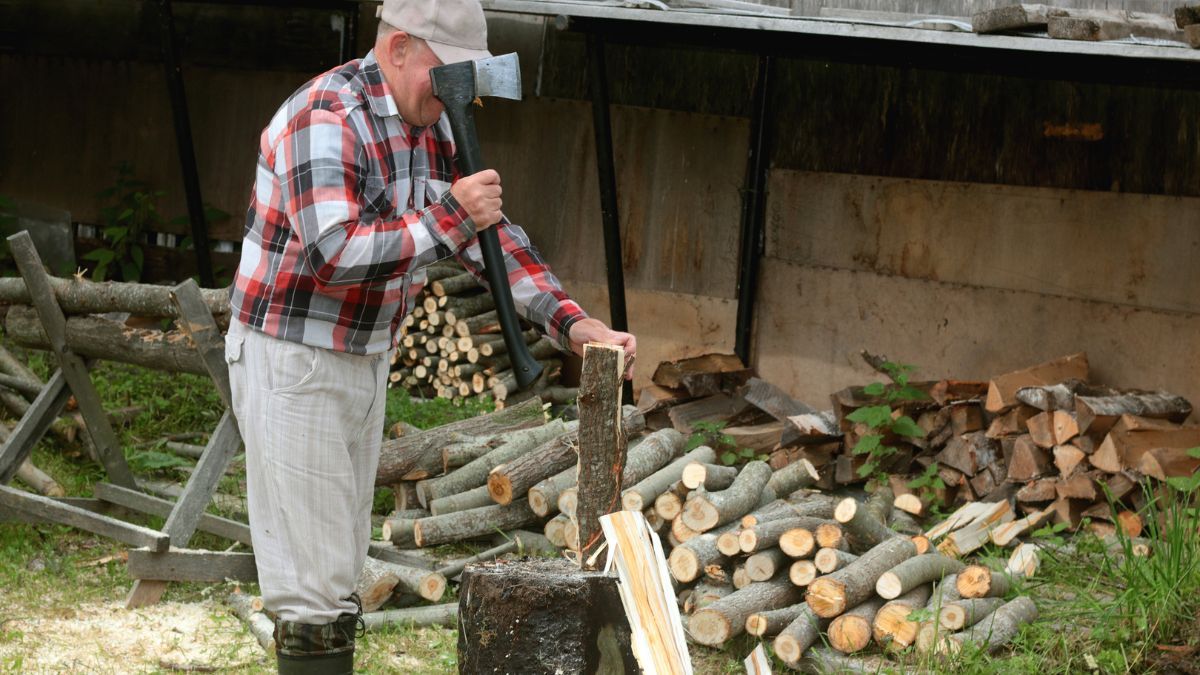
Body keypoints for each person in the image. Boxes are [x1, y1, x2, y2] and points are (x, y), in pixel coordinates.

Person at [224, 0, 636, 671]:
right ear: (399, 50)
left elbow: (488, 240)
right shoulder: (326, 116)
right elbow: (334, 251)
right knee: (310, 581)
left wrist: (572, 320)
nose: (457, 95)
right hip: (292, 355)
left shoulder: (427, 123)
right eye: (447, 76)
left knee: (339, 565)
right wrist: (451, 215)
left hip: (360, 355)